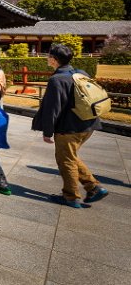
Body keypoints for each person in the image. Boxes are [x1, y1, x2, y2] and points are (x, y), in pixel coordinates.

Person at [33, 44, 109, 208]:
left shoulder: (57, 79)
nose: (47, 59)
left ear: (53, 60)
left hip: (69, 128)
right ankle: (93, 187)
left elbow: (52, 108)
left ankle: (72, 196)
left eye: (49, 56)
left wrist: (47, 132)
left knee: (65, 160)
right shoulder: (80, 73)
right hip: (88, 124)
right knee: (70, 156)